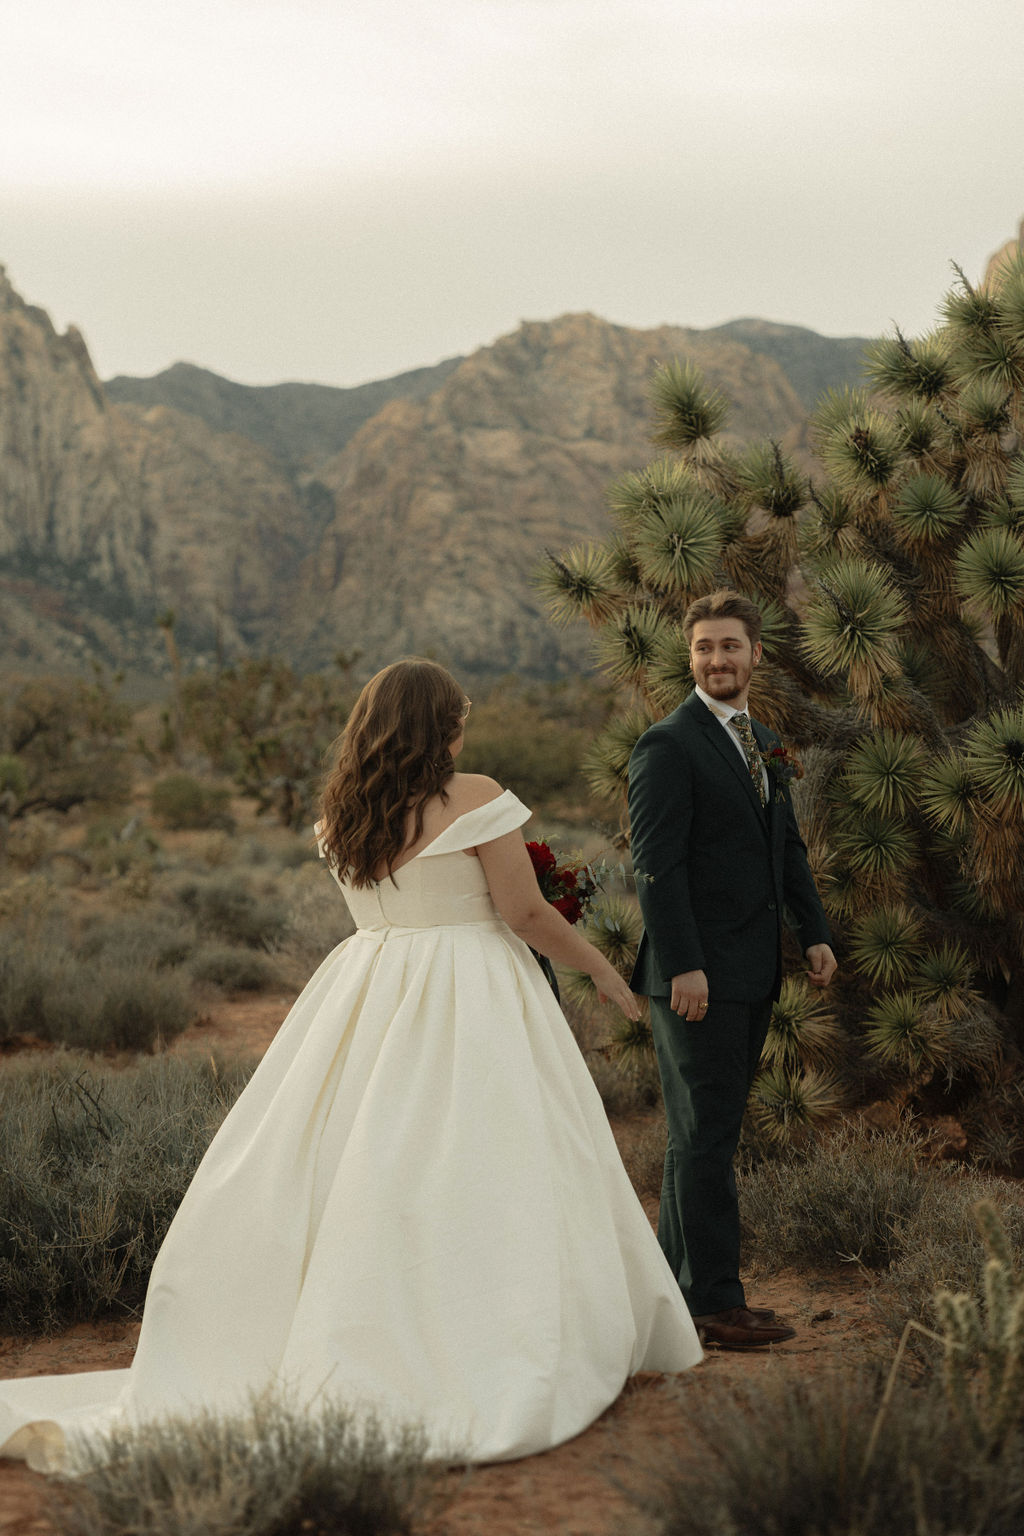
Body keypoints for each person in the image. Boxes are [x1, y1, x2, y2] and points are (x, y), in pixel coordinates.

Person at [0, 658, 701, 1473]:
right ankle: (488, 1334)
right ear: (441, 723)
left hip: (367, 985)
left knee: (362, 1161)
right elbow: (522, 911)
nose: (465, 725)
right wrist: (604, 970)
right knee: (493, 1160)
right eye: (459, 713)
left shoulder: (342, 814)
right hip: (468, 990)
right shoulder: (475, 797)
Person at [628, 591, 836, 1349]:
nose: (717, 659)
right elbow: (656, 867)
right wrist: (684, 964)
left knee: (705, 1136)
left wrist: (812, 932)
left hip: (752, 971)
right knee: (704, 1138)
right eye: (704, 648)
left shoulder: (764, 742)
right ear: (690, 658)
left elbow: (788, 850)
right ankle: (715, 1305)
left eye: (731, 646)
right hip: (695, 980)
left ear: (756, 654)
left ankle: (678, 1292)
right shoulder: (668, 744)